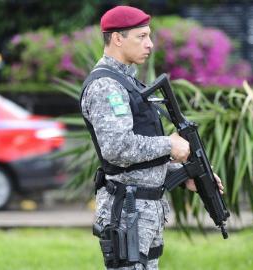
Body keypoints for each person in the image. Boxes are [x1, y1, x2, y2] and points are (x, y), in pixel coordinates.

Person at [80, 6, 224, 270]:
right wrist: (169, 144)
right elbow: (117, 148)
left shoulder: (129, 83)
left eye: (149, 36)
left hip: (145, 209)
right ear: (117, 38)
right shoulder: (106, 86)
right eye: (141, 36)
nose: (150, 44)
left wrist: (184, 174)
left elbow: (142, 155)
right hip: (127, 211)